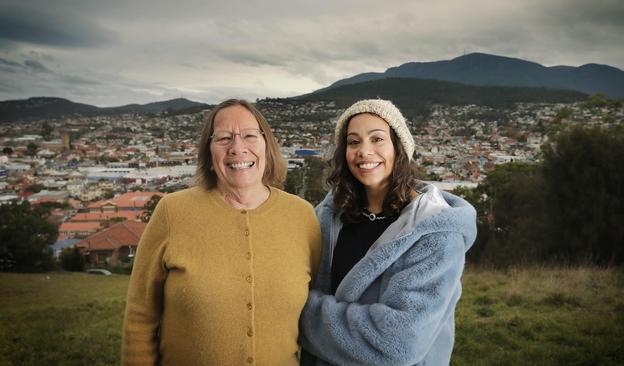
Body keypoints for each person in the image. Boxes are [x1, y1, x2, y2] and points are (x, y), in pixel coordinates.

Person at [122, 99, 321, 366]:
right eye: (224, 138)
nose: (238, 148)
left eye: (250, 136)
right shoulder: (172, 212)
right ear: (209, 153)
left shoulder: (303, 216)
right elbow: (140, 318)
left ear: (267, 145)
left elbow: (317, 317)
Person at [299, 99, 477, 366]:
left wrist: (301, 312)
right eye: (353, 141)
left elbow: (398, 343)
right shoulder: (329, 216)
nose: (364, 151)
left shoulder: (436, 232)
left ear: (399, 148)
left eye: (377, 139)